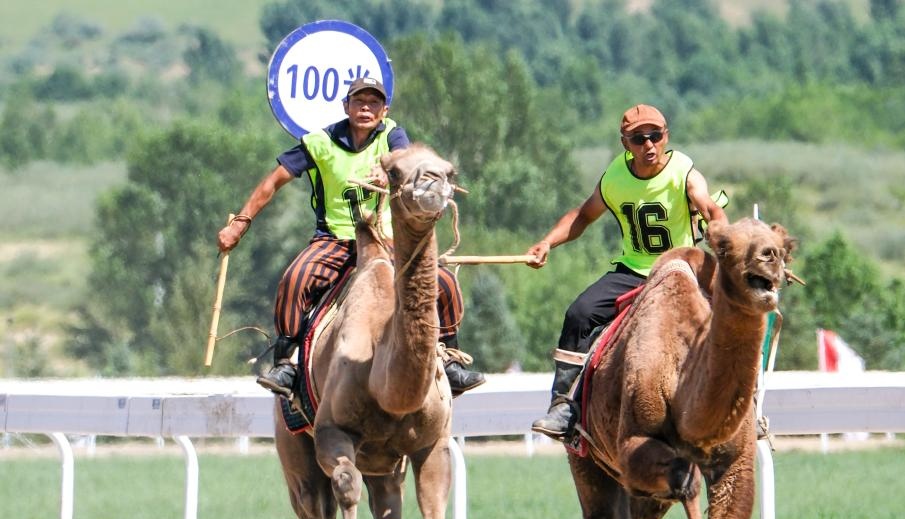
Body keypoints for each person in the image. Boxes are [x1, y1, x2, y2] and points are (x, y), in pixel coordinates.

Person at [217, 76, 484, 397]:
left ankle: (451, 359)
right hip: (335, 240)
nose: (366, 108)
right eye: (359, 101)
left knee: (445, 283)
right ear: (346, 106)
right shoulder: (320, 143)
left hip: (386, 242)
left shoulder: (392, 134)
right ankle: (287, 362)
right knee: (295, 279)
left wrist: (388, 170)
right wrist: (241, 223)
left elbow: (404, 158)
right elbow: (273, 181)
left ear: (384, 110)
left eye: (374, 102)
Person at [525, 103, 728, 438]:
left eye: (655, 136)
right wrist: (547, 242)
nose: (648, 144)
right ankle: (563, 407)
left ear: (666, 137)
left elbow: (711, 210)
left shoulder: (683, 171)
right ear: (625, 143)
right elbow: (583, 216)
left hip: (681, 267)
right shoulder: (615, 178)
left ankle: (742, 404)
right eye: (638, 139)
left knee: (736, 306)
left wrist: (721, 239)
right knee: (579, 314)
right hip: (634, 271)